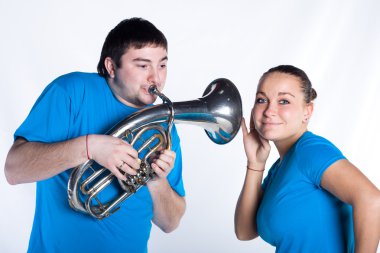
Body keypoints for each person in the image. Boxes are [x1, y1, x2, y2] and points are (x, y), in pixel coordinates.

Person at [4, 17, 186, 253]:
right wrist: (89, 148)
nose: (156, 78)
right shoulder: (71, 92)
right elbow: (13, 170)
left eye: (162, 65)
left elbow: (170, 223)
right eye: (143, 66)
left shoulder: (163, 124)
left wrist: (156, 180)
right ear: (111, 67)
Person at [234, 65, 380, 253]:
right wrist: (255, 164)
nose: (269, 110)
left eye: (284, 101)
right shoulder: (279, 168)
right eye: (262, 100)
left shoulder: (310, 150)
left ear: (307, 111)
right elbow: (245, 231)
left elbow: (371, 199)